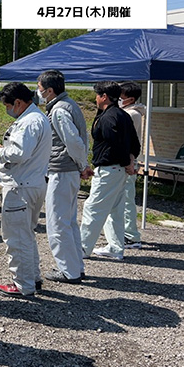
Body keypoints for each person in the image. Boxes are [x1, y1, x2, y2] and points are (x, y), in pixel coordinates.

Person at [0, 82, 52, 297]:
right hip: (32, 183)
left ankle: (22, 283)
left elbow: (18, 153)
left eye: (8, 105)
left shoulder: (29, 122)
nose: (7, 109)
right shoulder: (36, 118)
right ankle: (32, 277)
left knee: (16, 238)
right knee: (26, 234)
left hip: (20, 187)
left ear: (19, 102)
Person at [37, 70, 91, 285]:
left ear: (50, 90)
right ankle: (75, 266)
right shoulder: (69, 104)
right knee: (68, 222)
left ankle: (68, 271)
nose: (38, 92)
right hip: (68, 170)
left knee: (57, 223)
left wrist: (82, 165)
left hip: (62, 170)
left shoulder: (59, 110)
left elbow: (74, 141)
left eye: (40, 88)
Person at [81, 81, 140, 260]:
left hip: (110, 169)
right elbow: (134, 144)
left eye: (97, 95)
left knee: (93, 208)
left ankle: (82, 248)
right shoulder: (123, 115)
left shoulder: (108, 118)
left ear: (104, 96)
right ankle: (115, 247)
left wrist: (126, 162)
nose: (96, 99)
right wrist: (130, 161)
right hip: (119, 169)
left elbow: (117, 145)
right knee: (115, 209)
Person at [105, 81, 145, 249]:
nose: (119, 99)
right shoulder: (127, 113)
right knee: (124, 198)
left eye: (121, 97)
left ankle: (131, 235)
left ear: (130, 99)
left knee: (127, 199)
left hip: (128, 162)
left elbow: (127, 141)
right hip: (127, 161)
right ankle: (127, 233)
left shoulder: (131, 114)